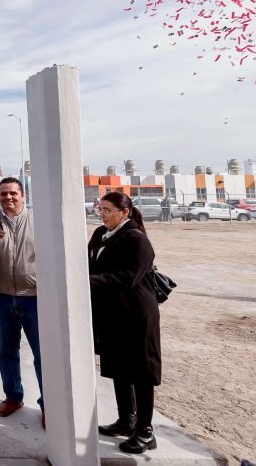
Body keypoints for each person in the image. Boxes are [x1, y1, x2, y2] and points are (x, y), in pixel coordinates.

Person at [89, 192, 161, 454]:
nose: (103, 214)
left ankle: (145, 431)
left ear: (125, 212)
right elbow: (90, 264)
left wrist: (89, 281)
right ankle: (126, 420)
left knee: (141, 372)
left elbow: (129, 277)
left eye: (108, 210)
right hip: (112, 313)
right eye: (101, 210)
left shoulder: (136, 239)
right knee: (120, 368)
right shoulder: (100, 234)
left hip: (136, 314)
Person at [0, 178, 43, 426]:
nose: (8, 198)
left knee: (41, 352)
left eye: (13, 193)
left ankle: (48, 404)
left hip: (35, 298)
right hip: (2, 296)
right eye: (3, 194)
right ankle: (13, 396)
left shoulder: (38, 219)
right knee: (7, 350)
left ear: (23, 196)